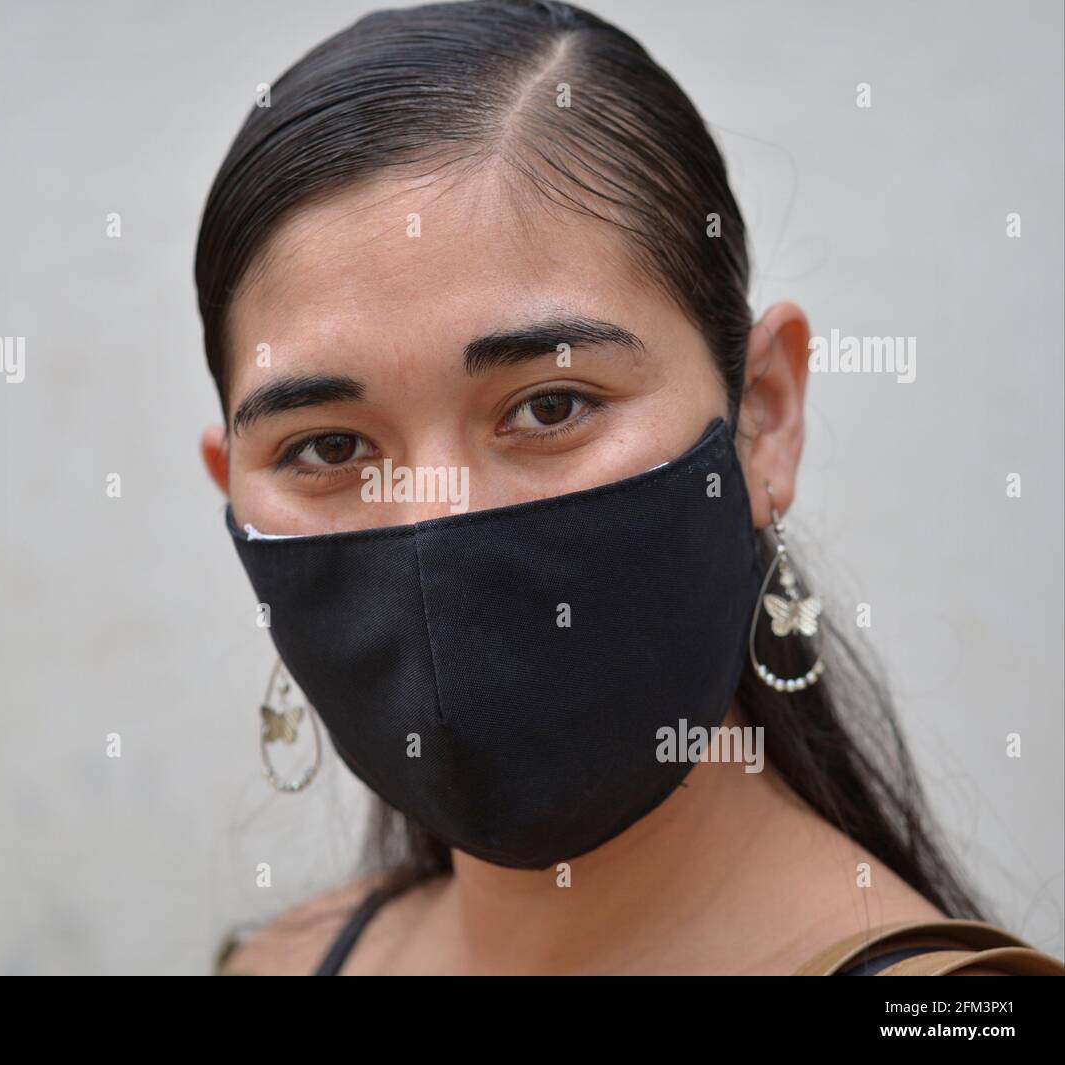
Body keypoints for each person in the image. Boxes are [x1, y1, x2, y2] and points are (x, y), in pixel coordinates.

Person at [194, 0, 1063, 975]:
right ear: (232, 493)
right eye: (325, 449)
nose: (435, 519)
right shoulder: (278, 963)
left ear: (762, 417)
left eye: (552, 405)